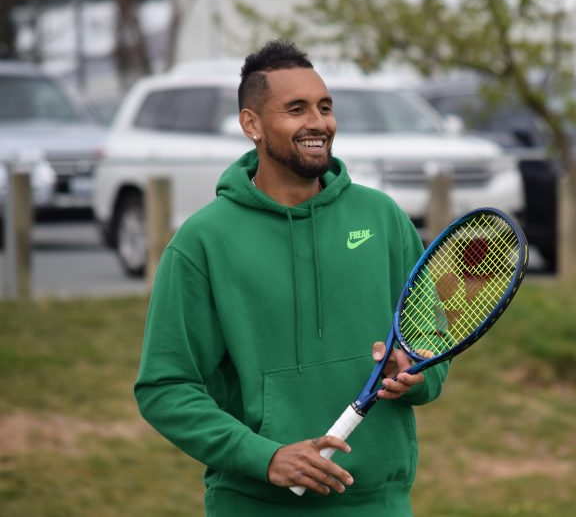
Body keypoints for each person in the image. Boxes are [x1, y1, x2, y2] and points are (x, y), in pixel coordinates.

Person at [134, 39, 449, 516]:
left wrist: (416, 374)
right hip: (254, 503)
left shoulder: (383, 218)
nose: (318, 122)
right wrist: (266, 457)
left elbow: (432, 339)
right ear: (251, 124)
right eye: (296, 109)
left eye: (325, 107)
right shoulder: (202, 241)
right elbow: (165, 387)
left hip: (377, 502)